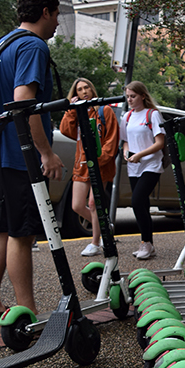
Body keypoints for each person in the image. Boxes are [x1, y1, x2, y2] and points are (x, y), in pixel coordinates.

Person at [0, 0, 63, 326]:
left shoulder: (4, 43)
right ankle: (28, 312)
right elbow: (24, 103)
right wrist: (46, 152)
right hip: (18, 154)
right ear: (45, 12)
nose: (57, 24)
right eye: (56, 16)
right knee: (21, 234)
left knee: (0, 229)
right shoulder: (32, 45)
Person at [59, 78, 119, 256]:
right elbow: (65, 130)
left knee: (93, 203)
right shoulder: (78, 112)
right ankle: (103, 225)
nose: (84, 91)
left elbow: (112, 139)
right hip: (81, 164)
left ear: (92, 89)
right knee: (77, 205)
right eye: (79, 89)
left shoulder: (104, 110)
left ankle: (95, 243)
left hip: (101, 165)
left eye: (86, 88)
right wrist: (71, 110)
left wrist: (100, 159)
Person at [120, 81, 165, 260]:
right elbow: (125, 140)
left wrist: (140, 154)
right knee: (142, 205)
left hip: (151, 164)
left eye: (133, 96)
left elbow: (160, 143)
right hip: (133, 166)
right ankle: (147, 244)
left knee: (137, 201)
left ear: (142, 96)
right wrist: (126, 152)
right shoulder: (127, 117)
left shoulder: (153, 115)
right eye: (128, 96)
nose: (129, 100)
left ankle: (146, 243)